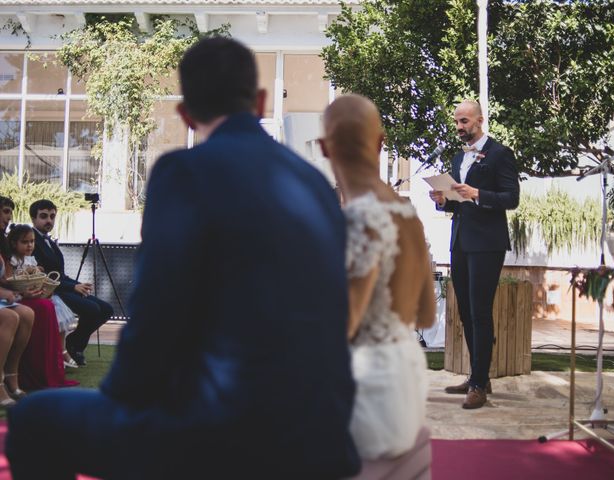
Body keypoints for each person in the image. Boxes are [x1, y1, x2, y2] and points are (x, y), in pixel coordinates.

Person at [6, 37, 360, 479]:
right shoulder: (313, 184)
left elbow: (157, 308)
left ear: (186, 114)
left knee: (33, 420)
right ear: (262, 101)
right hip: (323, 430)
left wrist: (125, 396)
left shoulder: (183, 173)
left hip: (226, 427)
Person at [320, 94, 436, 459]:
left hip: (366, 386)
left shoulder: (358, 219)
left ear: (325, 148)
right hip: (406, 370)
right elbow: (427, 315)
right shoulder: (407, 213)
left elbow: (345, 323)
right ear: (381, 141)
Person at [428, 99, 519, 409]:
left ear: (480, 120)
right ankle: (477, 375)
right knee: (466, 312)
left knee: (480, 312)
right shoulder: (457, 159)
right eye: (457, 122)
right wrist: (443, 200)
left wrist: (478, 193)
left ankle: (479, 385)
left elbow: (511, 198)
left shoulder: (500, 154)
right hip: (461, 242)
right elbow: (458, 202)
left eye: (465, 121)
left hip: (487, 243)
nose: (459, 127)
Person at [29, 199, 113, 367]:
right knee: (92, 309)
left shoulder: (49, 241)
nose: (49, 220)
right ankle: (74, 347)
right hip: (51, 291)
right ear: (33, 218)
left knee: (107, 309)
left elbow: (60, 273)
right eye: (44, 216)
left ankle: (73, 343)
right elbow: (42, 275)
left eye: (52, 216)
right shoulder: (31, 241)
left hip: (63, 286)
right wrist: (73, 287)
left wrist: (78, 284)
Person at [6, 224, 78, 369]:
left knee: (56, 305)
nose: (29, 245)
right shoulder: (12, 261)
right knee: (50, 307)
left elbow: (40, 277)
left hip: (36, 292)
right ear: (14, 243)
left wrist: (37, 272)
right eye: (25, 242)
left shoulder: (31, 259)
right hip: (21, 294)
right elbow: (14, 280)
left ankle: (61, 350)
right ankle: (59, 353)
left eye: (32, 242)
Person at [0, 197, 34, 406]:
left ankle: (12, 375)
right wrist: (3, 292)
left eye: (10, 212)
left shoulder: (2, 241)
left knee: (27, 313)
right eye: (4, 211)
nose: (8, 217)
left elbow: (5, 278)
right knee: (10, 317)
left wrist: (23, 286)